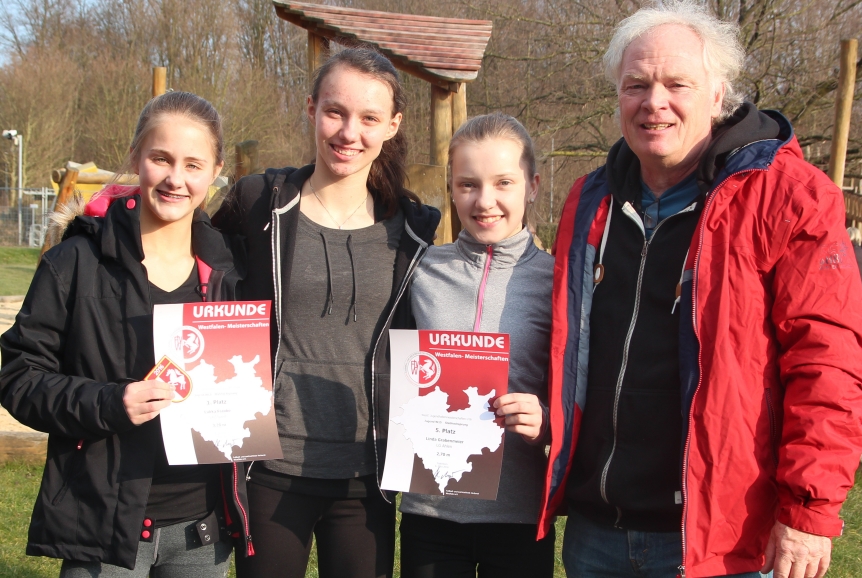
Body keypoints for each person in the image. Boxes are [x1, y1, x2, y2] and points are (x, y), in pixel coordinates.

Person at [538, 2, 862, 577]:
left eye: (677, 84)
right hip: (598, 532)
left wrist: (808, 511)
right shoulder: (589, 201)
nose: (654, 102)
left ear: (719, 95)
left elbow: (829, 363)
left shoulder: (789, 197)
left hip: (721, 539)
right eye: (636, 84)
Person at [211, 45, 440, 578]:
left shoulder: (415, 229)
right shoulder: (258, 205)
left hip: (367, 473)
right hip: (270, 465)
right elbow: (188, 266)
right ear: (311, 108)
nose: (348, 132)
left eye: (369, 118)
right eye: (335, 112)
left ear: (392, 125)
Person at [0, 91, 250, 576]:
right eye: (161, 158)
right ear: (137, 156)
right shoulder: (74, 262)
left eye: (193, 164)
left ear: (215, 170)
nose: (176, 178)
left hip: (202, 532)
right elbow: (18, 377)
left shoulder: (231, 272)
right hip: (103, 525)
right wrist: (111, 403)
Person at [399, 113, 555, 578]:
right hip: (430, 512)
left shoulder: (559, 281)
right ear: (450, 187)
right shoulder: (419, 270)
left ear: (532, 185)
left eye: (503, 182)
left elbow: (580, 394)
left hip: (519, 514)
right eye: (468, 184)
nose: (485, 201)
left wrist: (546, 422)